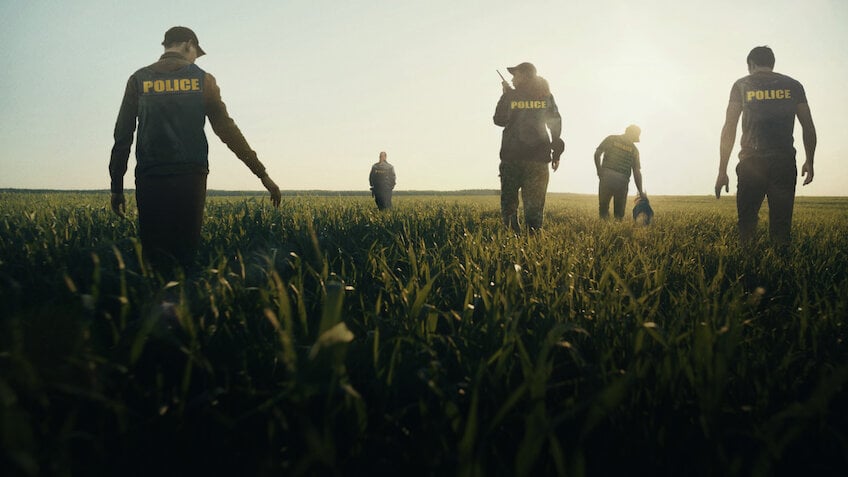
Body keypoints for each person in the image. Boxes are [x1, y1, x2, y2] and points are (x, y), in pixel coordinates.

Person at [109, 26, 282, 267]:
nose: (194, 59)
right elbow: (228, 131)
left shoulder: (138, 79)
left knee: (153, 255)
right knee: (186, 254)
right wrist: (262, 173)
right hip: (190, 177)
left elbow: (122, 134)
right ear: (188, 44)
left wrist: (116, 186)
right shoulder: (203, 80)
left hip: (151, 175)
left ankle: (154, 297)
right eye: (195, 53)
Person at [715, 46, 816, 247]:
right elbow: (808, 126)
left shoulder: (741, 85)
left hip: (751, 162)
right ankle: (780, 273)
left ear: (751, 64)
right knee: (781, 224)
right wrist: (809, 161)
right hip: (784, 162)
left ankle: (748, 270)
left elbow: (729, 127)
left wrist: (722, 170)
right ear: (772, 63)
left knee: (747, 222)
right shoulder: (793, 85)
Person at [493, 62, 564, 232]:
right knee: (535, 207)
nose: (512, 78)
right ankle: (532, 242)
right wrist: (556, 153)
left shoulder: (510, 96)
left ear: (524, 75)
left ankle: (512, 243)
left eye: (515, 74)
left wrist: (506, 96)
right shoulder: (546, 96)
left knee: (509, 205)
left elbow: (499, 120)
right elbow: (555, 123)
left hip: (512, 157)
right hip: (538, 159)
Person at [594, 125, 644, 220]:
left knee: (603, 209)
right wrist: (640, 191)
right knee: (619, 215)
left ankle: (604, 230)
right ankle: (615, 232)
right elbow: (636, 172)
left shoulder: (611, 139)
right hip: (622, 181)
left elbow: (597, 154)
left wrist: (599, 170)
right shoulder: (634, 150)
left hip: (607, 177)